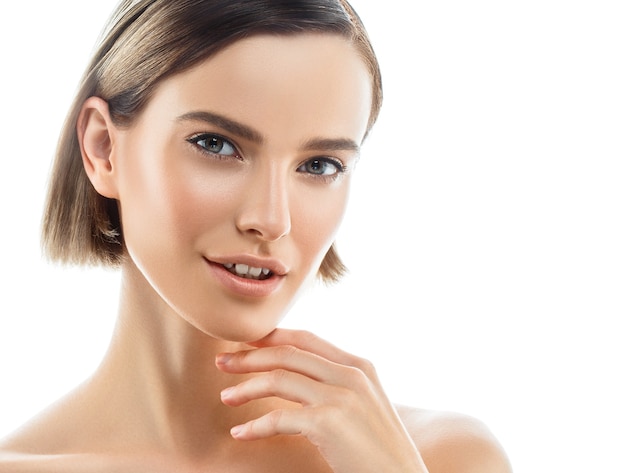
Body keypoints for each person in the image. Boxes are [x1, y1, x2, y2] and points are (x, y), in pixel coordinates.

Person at [0, 0, 511, 471]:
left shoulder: (443, 458)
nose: (272, 219)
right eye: (217, 145)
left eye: (319, 164)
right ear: (103, 148)